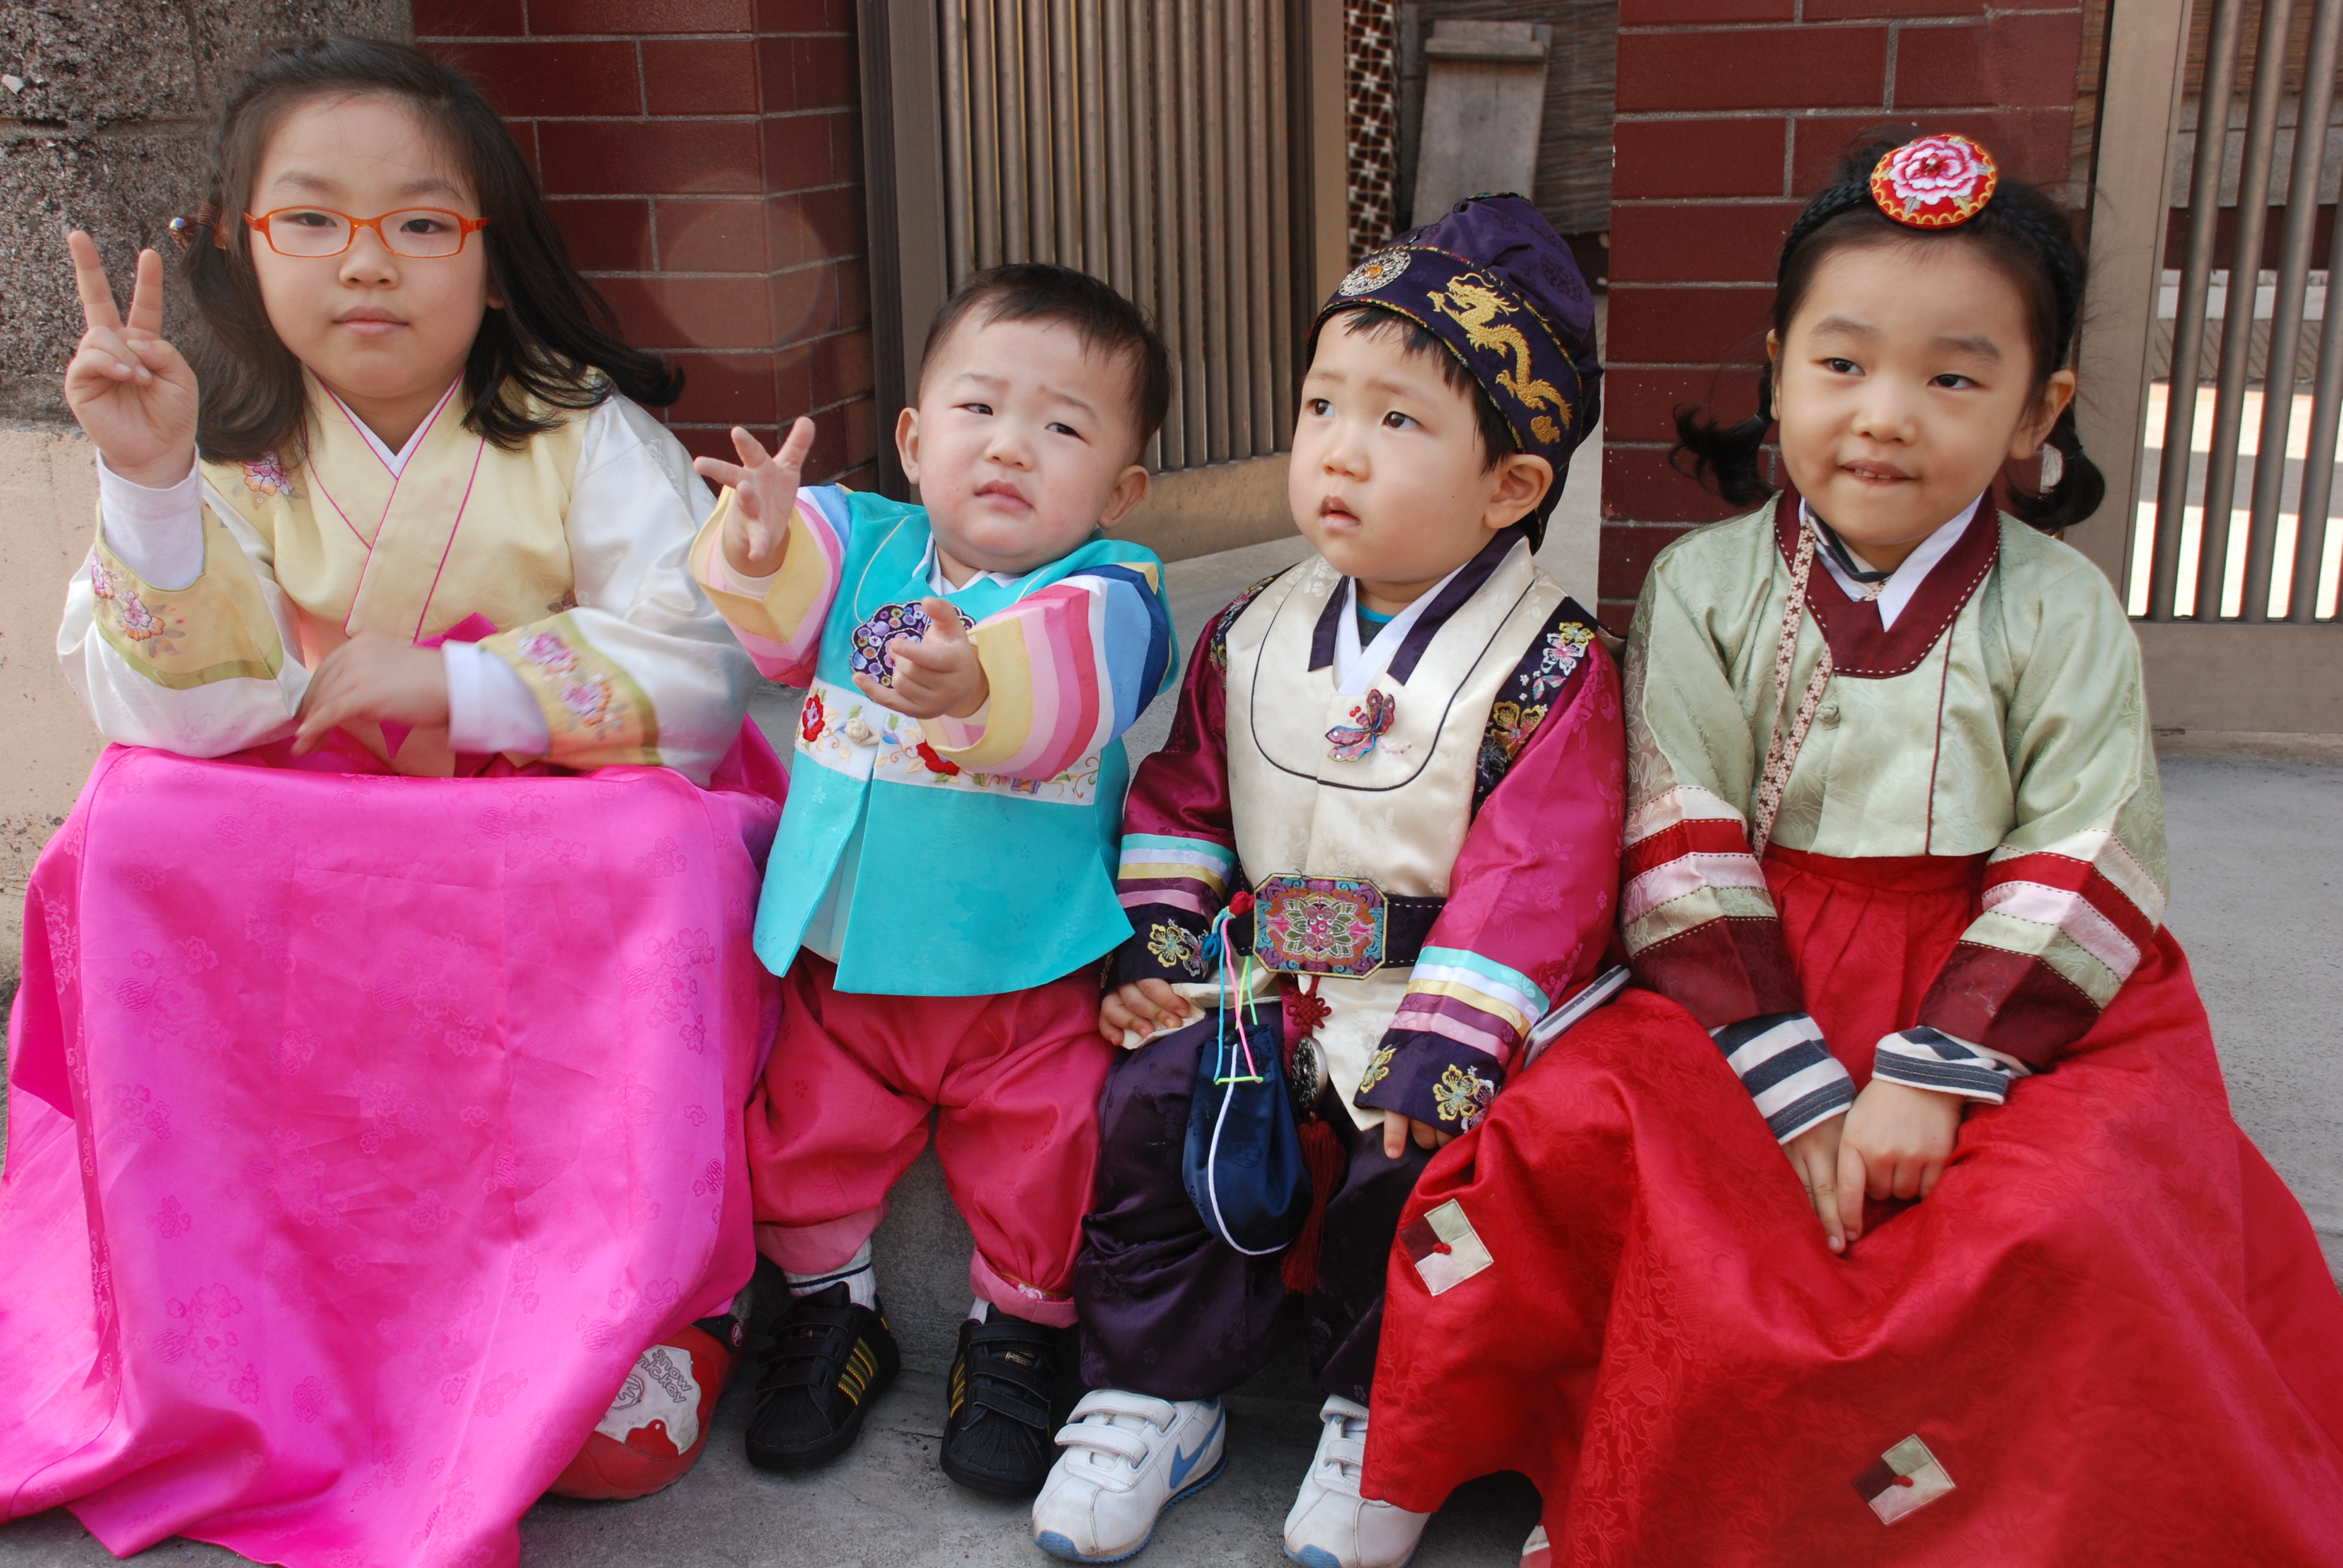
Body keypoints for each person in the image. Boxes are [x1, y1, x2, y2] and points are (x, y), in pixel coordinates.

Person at [1360, 132, 2343, 1562]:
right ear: (1774, 369)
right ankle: (1550, 1456)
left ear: (2035, 407)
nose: (1885, 416)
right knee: (1585, 1137)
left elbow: (2084, 850)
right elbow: (1679, 828)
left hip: (2009, 985)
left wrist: (1937, 1081)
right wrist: (1802, 1092)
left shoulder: (2060, 610)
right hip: (1751, 968)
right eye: (1841, 365)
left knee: (2079, 1210)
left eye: (1952, 376)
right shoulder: (1704, 586)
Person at [0, 38, 787, 1568]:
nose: (370, 267)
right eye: (314, 221)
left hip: (535, 818)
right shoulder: (214, 441)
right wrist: (152, 482)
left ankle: (624, 1296)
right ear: (240, 249)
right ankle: (204, 1308)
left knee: (657, 847)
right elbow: (169, 709)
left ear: (496, 265)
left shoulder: (581, 430)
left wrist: (462, 691)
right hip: (310, 830)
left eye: (423, 224)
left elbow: (698, 670)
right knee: (135, 824)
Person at [1030, 195, 1616, 1568]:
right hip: (1266, 980)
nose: (1338, 454)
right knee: (1153, 1115)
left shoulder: (1550, 668)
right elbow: (1184, 800)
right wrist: (1165, 961)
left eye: (1398, 422)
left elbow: (1540, 875)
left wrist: (1445, 1050)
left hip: (1435, 1000)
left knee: (1403, 1182)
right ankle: (1153, 1393)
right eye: (1320, 407)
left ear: (1512, 486)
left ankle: (1377, 1418)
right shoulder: (1252, 628)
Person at [688, 263, 1179, 1495]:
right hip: (843, 959)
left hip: (1022, 973)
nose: (1009, 446)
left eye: (1061, 426)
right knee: (799, 1122)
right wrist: (753, 542)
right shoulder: (867, 539)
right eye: (976, 410)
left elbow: (1076, 681)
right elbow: (783, 602)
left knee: (1054, 1138)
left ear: (1122, 486)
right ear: (912, 439)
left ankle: (1017, 1334)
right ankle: (828, 1310)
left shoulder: (1111, 589)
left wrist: (977, 687)